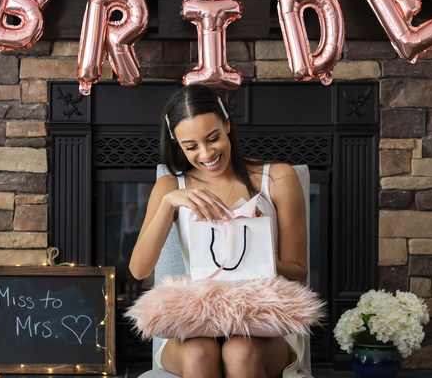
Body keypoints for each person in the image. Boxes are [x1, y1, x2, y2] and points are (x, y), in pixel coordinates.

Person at [129, 84, 309, 378]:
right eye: (191, 147)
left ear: (227, 124)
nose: (206, 154)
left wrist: (252, 255)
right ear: (177, 143)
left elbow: (299, 273)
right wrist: (168, 203)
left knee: (240, 352)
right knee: (200, 354)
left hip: (262, 322)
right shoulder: (171, 186)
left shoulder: (277, 178)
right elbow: (139, 270)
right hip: (199, 322)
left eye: (213, 138)